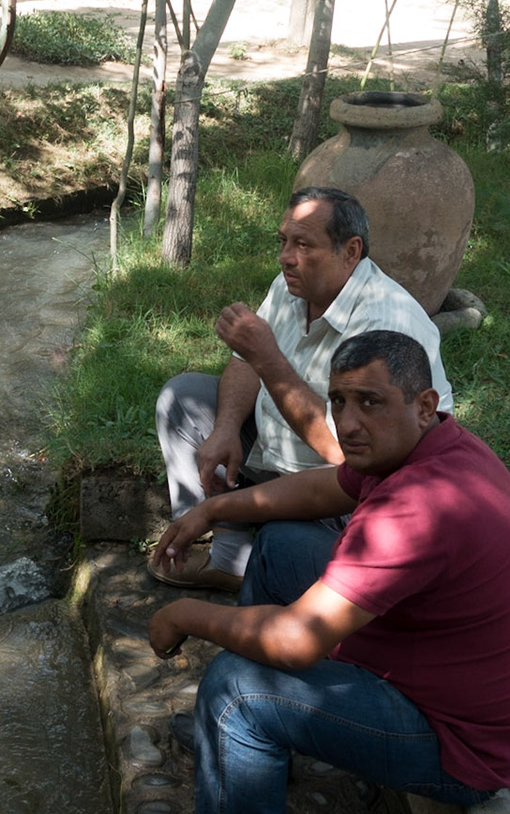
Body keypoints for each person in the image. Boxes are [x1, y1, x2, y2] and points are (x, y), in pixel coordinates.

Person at [146, 330, 510, 814]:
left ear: (425, 405)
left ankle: (242, 768)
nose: (348, 423)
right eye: (338, 400)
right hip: (421, 659)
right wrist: (214, 508)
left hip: (456, 745)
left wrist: (183, 613)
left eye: (370, 402)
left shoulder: (415, 508)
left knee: (234, 691)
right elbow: (324, 487)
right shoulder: (431, 447)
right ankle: (260, 754)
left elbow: (296, 640)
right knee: (282, 544)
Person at [151, 186, 452, 591]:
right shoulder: (293, 285)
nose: (285, 257)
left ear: (350, 251)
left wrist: (268, 357)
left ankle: (282, 557)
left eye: (303, 245)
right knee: (182, 399)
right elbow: (245, 364)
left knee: (286, 544)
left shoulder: (385, 323)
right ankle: (230, 560)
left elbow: (348, 452)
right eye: (284, 242)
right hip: (279, 455)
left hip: (347, 487)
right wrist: (224, 428)